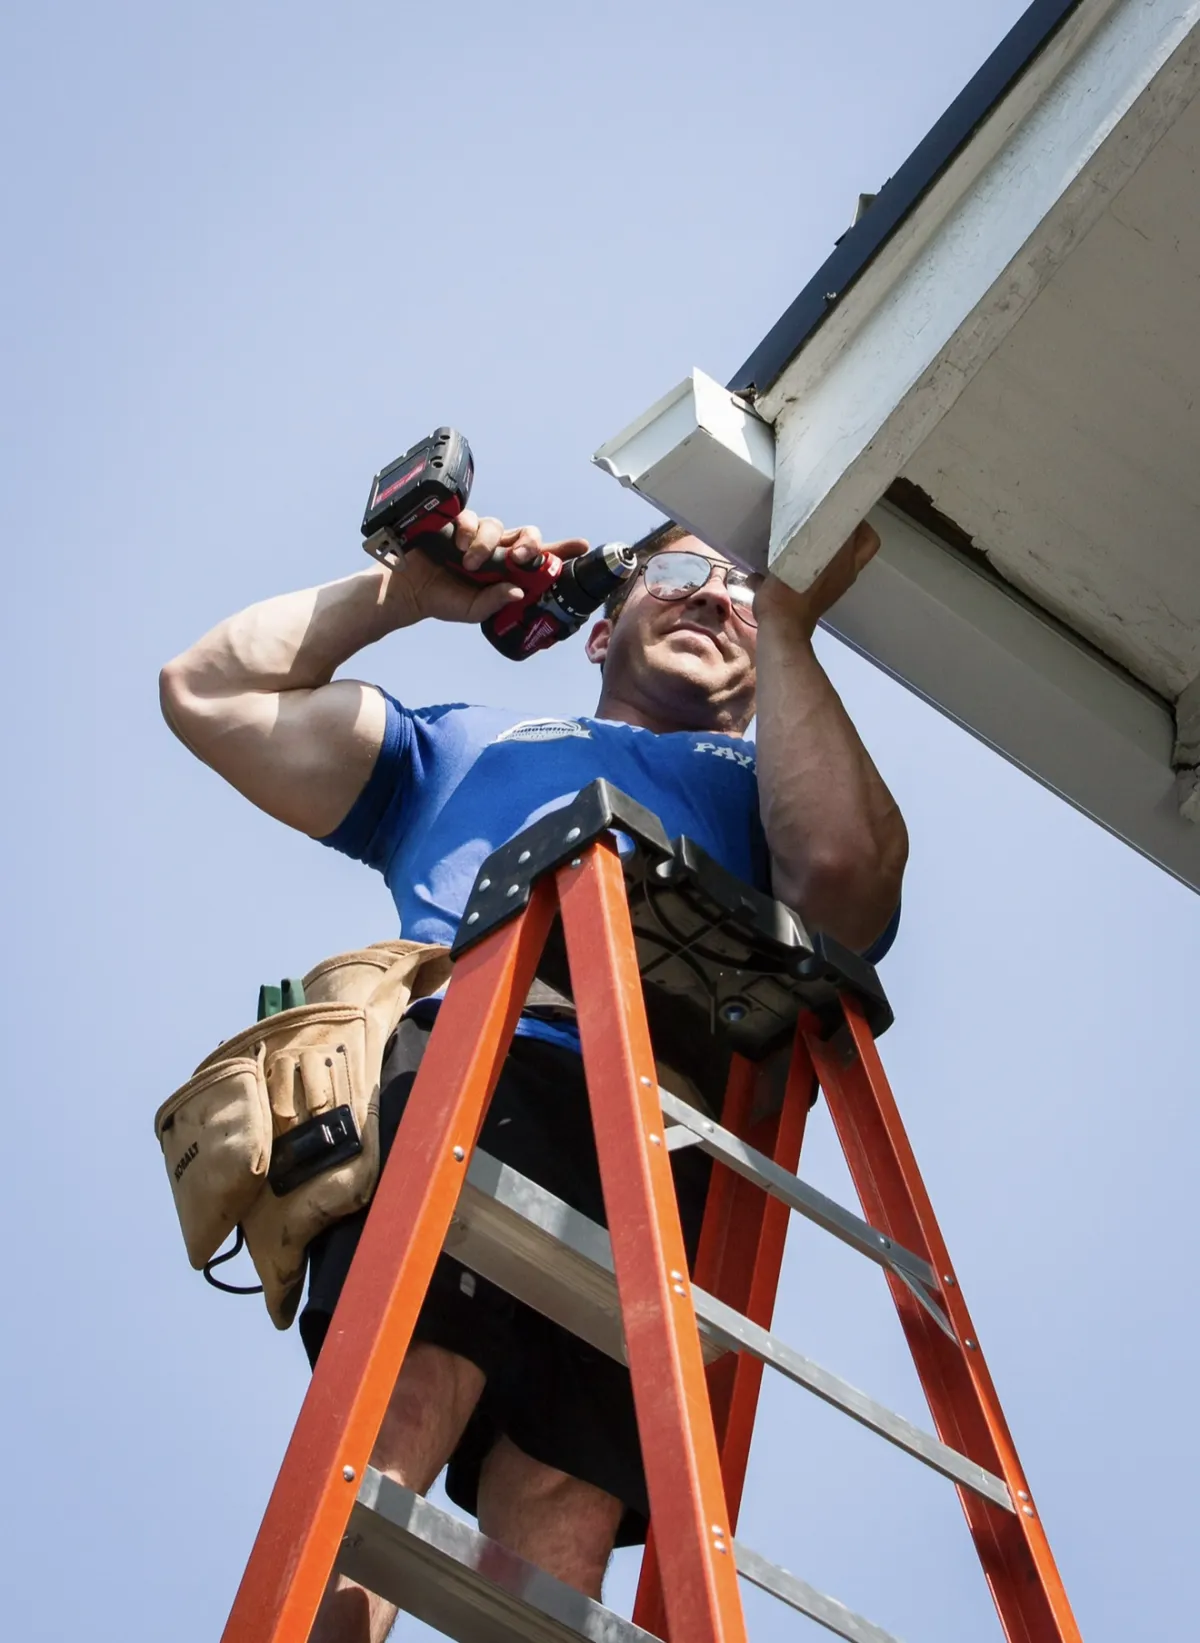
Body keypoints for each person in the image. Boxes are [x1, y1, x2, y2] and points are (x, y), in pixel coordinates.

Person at [159, 507, 907, 1640]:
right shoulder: (471, 747)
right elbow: (209, 693)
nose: (714, 594)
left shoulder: (770, 787)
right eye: (678, 571)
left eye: (743, 588)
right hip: (474, 1075)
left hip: (666, 1135)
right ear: (599, 633)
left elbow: (847, 884)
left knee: (561, 1525)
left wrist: (794, 627)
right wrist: (404, 596)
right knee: (397, 1420)